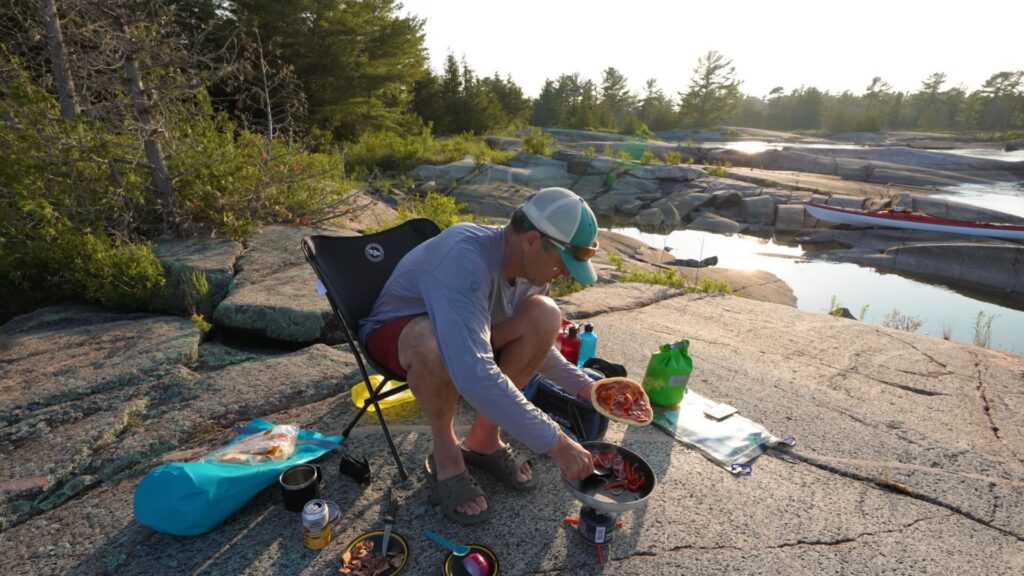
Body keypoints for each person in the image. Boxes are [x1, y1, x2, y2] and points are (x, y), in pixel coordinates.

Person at [358, 187, 600, 525]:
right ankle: (447, 453)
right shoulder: (465, 257)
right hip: (397, 332)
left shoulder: (531, 269)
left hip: (466, 334)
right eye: (562, 264)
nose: (564, 274)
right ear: (531, 240)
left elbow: (534, 342)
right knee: (435, 342)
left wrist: (586, 388)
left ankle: (485, 438)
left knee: (545, 314)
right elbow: (473, 371)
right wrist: (555, 442)